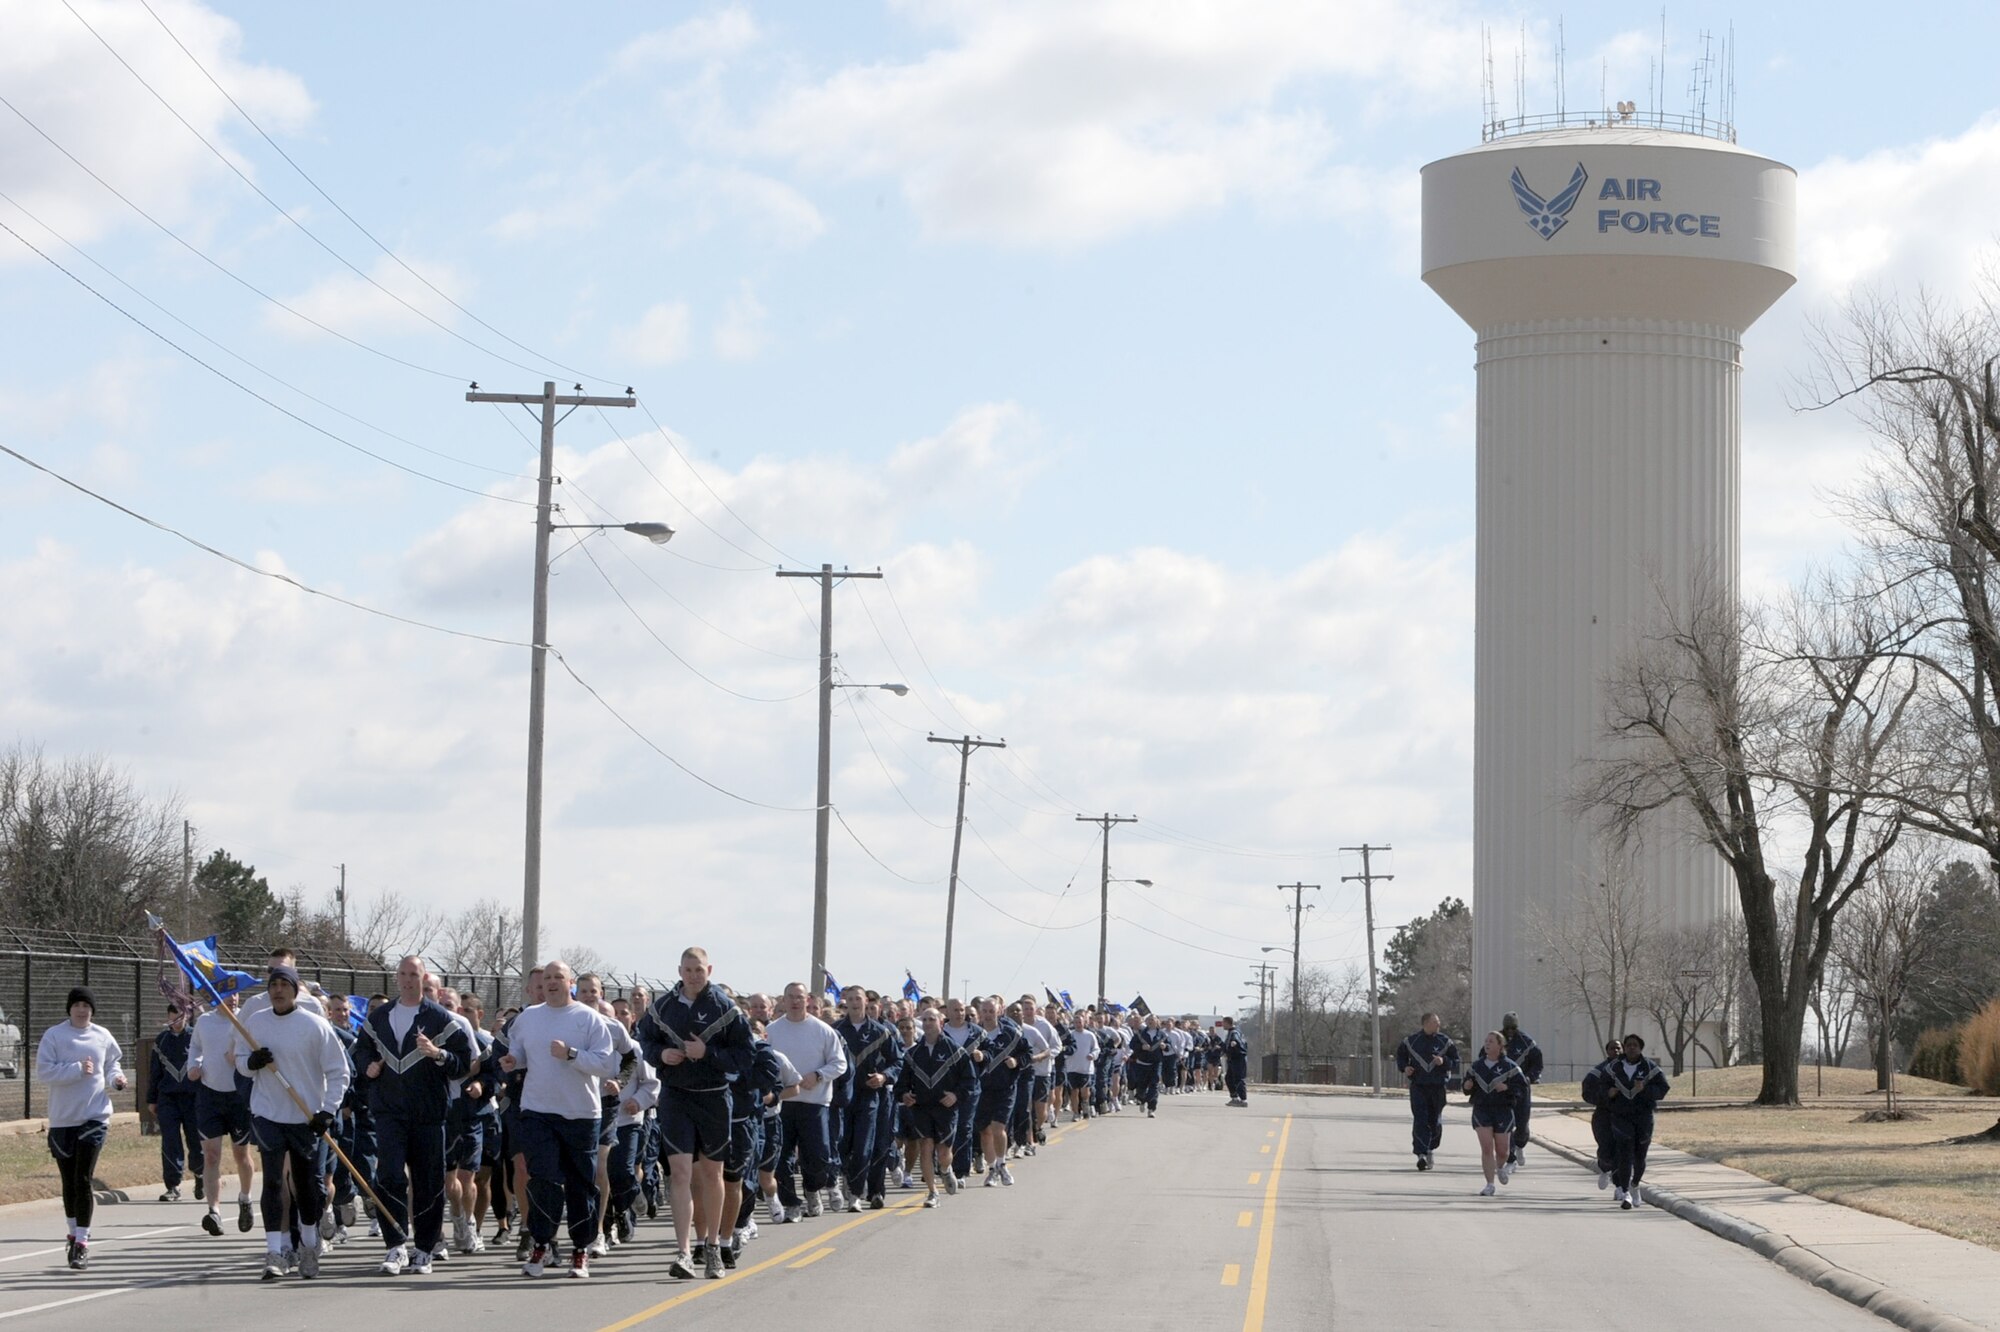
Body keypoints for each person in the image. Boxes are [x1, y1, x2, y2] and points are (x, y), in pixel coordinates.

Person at [350, 955, 473, 1275]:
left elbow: (463, 1062)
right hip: (389, 1111)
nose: (407, 980)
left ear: (423, 978)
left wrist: (437, 1054)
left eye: (413, 975)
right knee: (388, 1175)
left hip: (429, 1114)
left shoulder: (441, 1018)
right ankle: (395, 1245)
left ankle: (424, 1248)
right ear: (397, 977)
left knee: (428, 1182)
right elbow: (361, 1050)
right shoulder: (380, 1017)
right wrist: (369, 1066)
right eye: (402, 974)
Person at [637, 947, 754, 1281]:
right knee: (680, 1172)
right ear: (679, 970)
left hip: (714, 1098)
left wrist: (709, 1053)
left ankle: (714, 1246)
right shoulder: (663, 1006)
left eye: (699, 970)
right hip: (676, 1097)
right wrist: (662, 1054)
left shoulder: (724, 1008)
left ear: (709, 970)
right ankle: (684, 1251)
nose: (693, 976)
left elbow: (745, 1055)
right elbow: (644, 1040)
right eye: (688, 970)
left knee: (712, 1174)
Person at [501, 958, 621, 1279]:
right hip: (537, 1111)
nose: (552, 983)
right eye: (548, 978)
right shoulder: (528, 1018)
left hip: (580, 1113)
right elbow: (520, 1053)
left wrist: (571, 1054)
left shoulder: (589, 1018)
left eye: (559, 977)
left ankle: (580, 1250)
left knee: (580, 1184)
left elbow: (605, 1065)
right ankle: (542, 1243)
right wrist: (513, 1060)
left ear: (570, 984)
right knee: (542, 1180)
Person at [239, 963, 350, 1280]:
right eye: (273, 985)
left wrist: (327, 1111)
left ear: (295, 990)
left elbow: (338, 1071)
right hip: (268, 1112)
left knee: (305, 1187)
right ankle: (274, 1251)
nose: (277, 990)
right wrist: (252, 1062)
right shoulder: (255, 1023)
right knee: (273, 1182)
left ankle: (309, 1246)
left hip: (305, 1116)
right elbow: (239, 1061)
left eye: (283, 985)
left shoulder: (314, 1025)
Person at [37, 986, 125, 1270]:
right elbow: (44, 1072)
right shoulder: (54, 1036)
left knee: (83, 1178)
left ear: (92, 1010)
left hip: (94, 1116)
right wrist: (76, 1069)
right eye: (77, 1005)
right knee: (69, 1181)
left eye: (86, 1005)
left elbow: (112, 1064)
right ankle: (72, 1232)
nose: (82, 1010)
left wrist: (117, 1079)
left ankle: (83, 1243)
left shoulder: (102, 1036)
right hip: (63, 1119)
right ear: (69, 1009)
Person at [762, 981, 847, 1224]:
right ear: (783, 1001)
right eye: (791, 997)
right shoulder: (773, 1030)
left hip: (815, 1102)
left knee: (818, 1157)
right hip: (783, 1103)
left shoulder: (822, 1030)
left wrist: (818, 1075)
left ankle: (812, 1190)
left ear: (807, 1000)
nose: (796, 1001)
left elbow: (839, 1063)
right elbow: (764, 1062)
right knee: (781, 1158)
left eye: (800, 997)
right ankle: (791, 1204)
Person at [190, 987, 257, 1236]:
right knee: (211, 1155)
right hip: (209, 1095)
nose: (233, 997)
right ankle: (214, 1211)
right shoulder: (205, 1021)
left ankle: (245, 1198)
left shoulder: (245, 1020)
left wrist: (239, 1058)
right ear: (214, 996)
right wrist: (193, 1067)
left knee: (241, 1155)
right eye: (227, 993)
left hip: (238, 1096)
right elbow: (195, 1047)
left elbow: (256, 1049)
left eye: (237, 993)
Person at [832, 984, 903, 1212]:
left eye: (858, 999)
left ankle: (857, 1194)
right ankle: (847, 1180)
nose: (854, 1003)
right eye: (850, 999)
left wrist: (884, 1076)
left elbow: (897, 1062)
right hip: (841, 1097)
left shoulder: (881, 1032)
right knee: (842, 1145)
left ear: (867, 1002)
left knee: (865, 1147)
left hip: (870, 1096)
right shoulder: (835, 1031)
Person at [896, 1007, 972, 1209]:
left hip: (945, 1109)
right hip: (921, 1108)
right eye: (925, 1019)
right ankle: (932, 1192)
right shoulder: (913, 1054)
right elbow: (901, 1083)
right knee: (926, 1147)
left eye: (932, 1019)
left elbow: (970, 1081)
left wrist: (956, 1095)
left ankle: (946, 1170)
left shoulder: (956, 1052)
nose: (928, 1023)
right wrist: (904, 1095)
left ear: (941, 1023)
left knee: (943, 1152)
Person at [1602, 1033, 1671, 1210]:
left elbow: (1663, 1088)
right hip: (1621, 1116)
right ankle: (1625, 1193)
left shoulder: (1649, 1067)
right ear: (1624, 1048)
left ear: (1640, 1048)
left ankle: (1635, 1184)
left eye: (1635, 1045)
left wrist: (1645, 1090)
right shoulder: (1613, 1067)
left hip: (1643, 1116)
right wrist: (1608, 1093)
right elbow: (1601, 1085)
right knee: (1625, 1153)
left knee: (1640, 1156)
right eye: (1629, 1045)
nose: (1632, 1048)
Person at [147, 1001, 202, 1202]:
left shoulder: (196, 1036)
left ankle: (201, 1175)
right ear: (168, 1017)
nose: (177, 1020)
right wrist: (152, 1099)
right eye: (174, 1015)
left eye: (181, 1015)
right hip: (168, 1098)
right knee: (170, 1141)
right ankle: (173, 1185)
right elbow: (155, 1072)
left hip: (193, 1097)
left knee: (195, 1139)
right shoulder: (161, 1040)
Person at [1461, 1031, 1526, 1197]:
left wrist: (1507, 1088)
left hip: (1503, 1110)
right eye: (1486, 1041)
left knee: (1503, 1151)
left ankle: (1500, 1167)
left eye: (1491, 1041)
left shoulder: (1510, 1067)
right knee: (1487, 1147)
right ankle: (1490, 1184)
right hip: (1482, 1110)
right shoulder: (1477, 1066)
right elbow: (1467, 1087)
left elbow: (1521, 1089)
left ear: (1500, 1045)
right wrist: (1467, 1086)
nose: (1487, 1044)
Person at [970, 995, 1026, 1185]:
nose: (987, 1015)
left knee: (998, 1127)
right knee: (984, 1131)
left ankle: (1002, 1164)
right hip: (982, 1089)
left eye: (991, 1011)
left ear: (999, 1011)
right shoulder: (974, 1035)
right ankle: (992, 1168)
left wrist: (1016, 1061)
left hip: (1005, 1088)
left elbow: (1027, 1053)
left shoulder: (1011, 1033)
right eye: (984, 1011)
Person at [1394, 1013, 1460, 1170]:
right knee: (1420, 1119)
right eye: (1434, 1022)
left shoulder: (1445, 1041)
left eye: (1438, 1022)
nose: (1438, 1025)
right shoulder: (1411, 1041)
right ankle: (1421, 1154)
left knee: (1435, 1121)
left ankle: (1431, 1148)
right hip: (1419, 1086)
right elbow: (1401, 1056)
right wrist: (1405, 1068)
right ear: (1425, 1023)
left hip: (1437, 1087)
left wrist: (1444, 1061)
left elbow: (1456, 1061)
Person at [1579, 1040, 1624, 1191]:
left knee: (1622, 1151)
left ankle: (1620, 1187)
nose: (1616, 1051)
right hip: (1603, 1116)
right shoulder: (1598, 1072)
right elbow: (1587, 1093)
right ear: (1607, 1051)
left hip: (1624, 1116)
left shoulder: (1630, 1070)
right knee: (1606, 1150)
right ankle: (1604, 1168)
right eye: (1612, 1048)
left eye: (1618, 1048)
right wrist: (1605, 1096)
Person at [1499, 1012, 1543, 1168]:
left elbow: (1537, 1063)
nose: (1510, 1030)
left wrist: (1530, 1077)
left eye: (1513, 1027)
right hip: (1503, 1089)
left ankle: (1520, 1146)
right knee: (1506, 1122)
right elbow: (1485, 1058)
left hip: (1522, 1088)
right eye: (1507, 1027)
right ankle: (1510, 1157)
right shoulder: (1498, 1040)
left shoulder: (1526, 1042)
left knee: (1522, 1123)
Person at [1126, 1012, 1166, 1118]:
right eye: (1149, 1020)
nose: (1151, 1021)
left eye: (1153, 1019)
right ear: (1146, 1022)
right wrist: (1141, 1047)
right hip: (1142, 1063)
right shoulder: (1140, 1034)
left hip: (1156, 1063)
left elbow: (1169, 1046)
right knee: (1141, 1086)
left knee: (1154, 1085)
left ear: (1157, 1021)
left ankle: (1151, 1108)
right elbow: (1132, 1045)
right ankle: (1142, 1099)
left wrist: (1164, 1046)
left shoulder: (1162, 1034)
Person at [1221, 1017, 1250, 1107]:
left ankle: (1243, 1099)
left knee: (1238, 1079)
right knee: (1229, 1078)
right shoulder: (1233, 1031)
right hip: (1232, 1059)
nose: (1222, 1025)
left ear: (1227, 1023)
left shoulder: (1234, 1032)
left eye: (1223, 1023)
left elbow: (1236, 1041)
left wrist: (1234, 1043)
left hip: (1238, 1059)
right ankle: (1234, 1098)